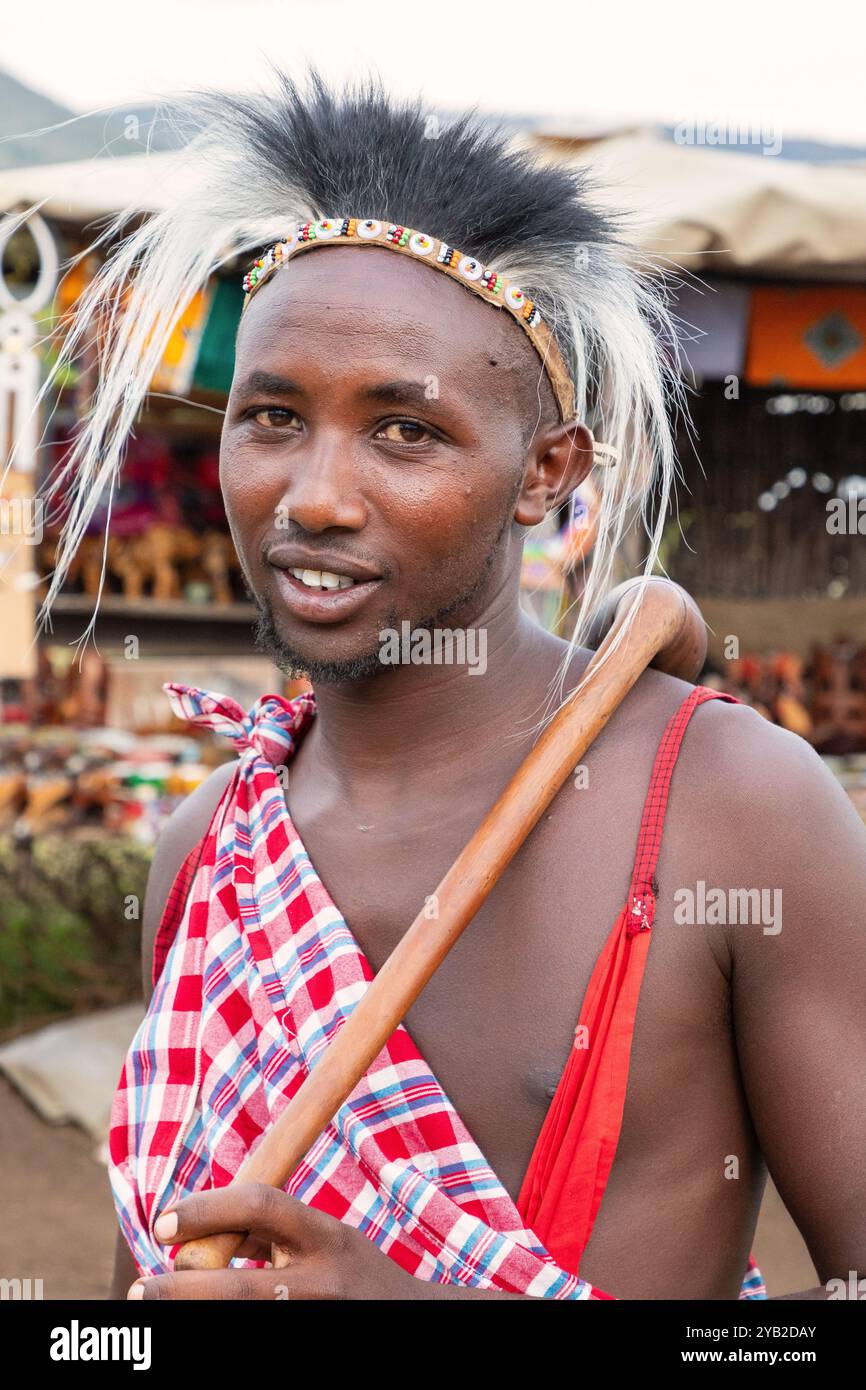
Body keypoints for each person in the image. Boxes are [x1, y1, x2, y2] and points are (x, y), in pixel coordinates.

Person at [35, 70, 866, 1301]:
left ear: (545, 473)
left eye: (404, 431)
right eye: (271, 415)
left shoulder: (729, 806)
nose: (312, 496)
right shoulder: (213, 849)